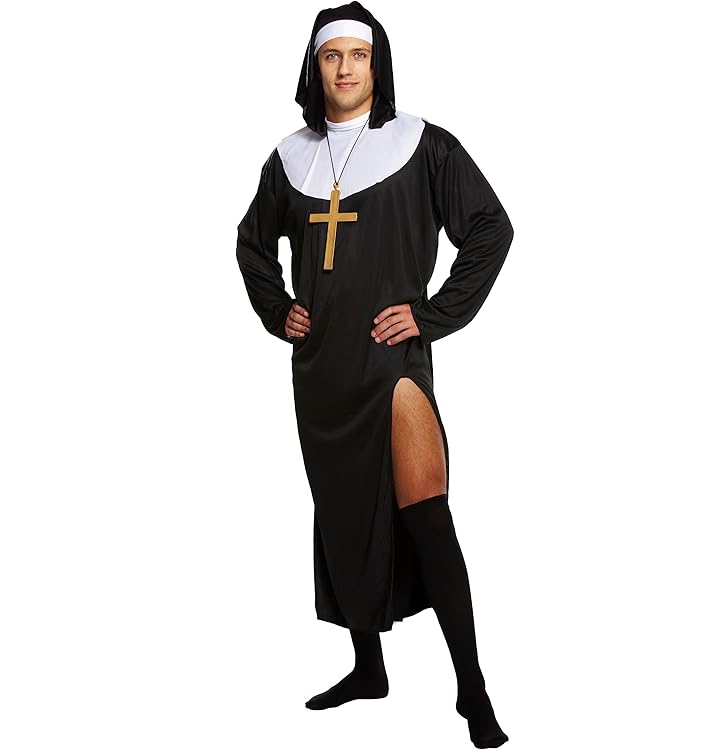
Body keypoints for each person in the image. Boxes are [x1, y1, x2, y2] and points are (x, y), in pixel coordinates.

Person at [235, 3, 514, 747]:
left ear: (377, 65)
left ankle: (473, 690)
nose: (346, 67)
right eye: (333, 55)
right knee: (345, 513)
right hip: (323, 372)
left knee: (428, 514)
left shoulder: (423, 144)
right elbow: (252, 244)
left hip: (393, 365)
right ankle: (369, 669)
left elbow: (491, 228)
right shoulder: (289, 158)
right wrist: (278, 310)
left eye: (359, 54)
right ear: (315, 68)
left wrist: (432, 314)